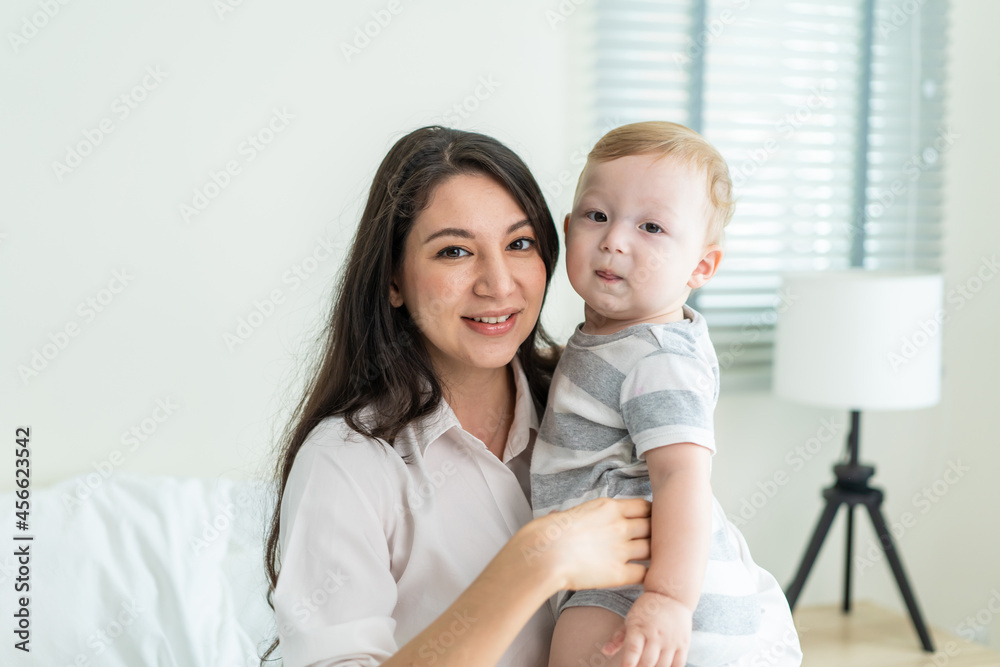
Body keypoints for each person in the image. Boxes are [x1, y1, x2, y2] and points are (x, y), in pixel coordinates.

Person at [258, 125, 654, 667]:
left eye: (519, 244)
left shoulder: (605, 401)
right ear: (394, 280)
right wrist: (531, 565)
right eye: (454, 252)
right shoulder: (347, 462)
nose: (497, 283)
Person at [530, 121, 803, 667]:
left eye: (651, 226)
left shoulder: (660, 360)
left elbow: (682, 476)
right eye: (597, 216)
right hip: (622, 574)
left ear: (701, 265)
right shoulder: (618, 341)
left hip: (640, 589)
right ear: (567, 230)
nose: (615, 239)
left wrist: (669, 598)